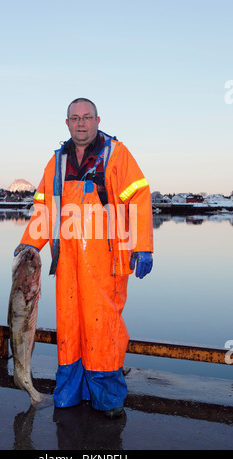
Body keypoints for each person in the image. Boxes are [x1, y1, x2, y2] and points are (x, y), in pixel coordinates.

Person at [16, 98, 153, 418]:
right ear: (67, 123)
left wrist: (142, 245)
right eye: (75, 118)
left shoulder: (117, 154)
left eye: (87, 117)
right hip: (67, 261)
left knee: (102, 325)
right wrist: (30, 244)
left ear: (97, 120)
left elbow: (139, 196)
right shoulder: (57, 162)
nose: (81, 123)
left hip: (106, 259)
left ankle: (106, 397)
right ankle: (70, 391)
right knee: (69, 324)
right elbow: (45, 206)